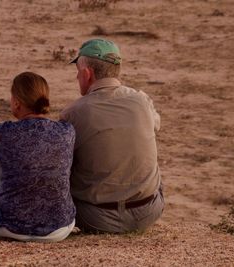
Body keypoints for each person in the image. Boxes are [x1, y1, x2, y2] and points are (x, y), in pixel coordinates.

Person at [60, 39, 164, 234]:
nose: (76, 77)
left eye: (77, 72)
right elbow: (154, 126)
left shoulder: (74, 112)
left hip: (96, 218)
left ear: (87, 74)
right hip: (149, 212)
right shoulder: (142, 100)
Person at [0, 71, 76, 242]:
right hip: (59, 229)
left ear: (16, 102)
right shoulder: (66, 131)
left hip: (8, 227)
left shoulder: (5, 132)